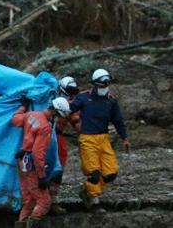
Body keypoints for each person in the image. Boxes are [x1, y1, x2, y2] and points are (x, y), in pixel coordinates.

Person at [69, 68, 130, 210]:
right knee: (94, 172)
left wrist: (124, 137)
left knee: (110, 173)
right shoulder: (84, 98)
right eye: (102, 85)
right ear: (95, 84)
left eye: (107, 85)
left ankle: (87, 191)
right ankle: (94, 200)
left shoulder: (111, 101)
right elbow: (68, 109)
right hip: (87, 138)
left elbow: (118, 120)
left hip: (104, 139)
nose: (105, 88)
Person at [10, 96, 71, 227]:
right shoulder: (45, 127)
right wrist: (42, 177)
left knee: (30, 201)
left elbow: (14, 120)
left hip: (21, 162)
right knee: (44, 202)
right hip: (31, 165)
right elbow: (38, 155)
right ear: (55, 112)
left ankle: (21, 224)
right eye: (59, 116)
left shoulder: (31, 114)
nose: (59, 119)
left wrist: (22, 107)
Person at [48, 76, 81, 214]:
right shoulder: (46, 96)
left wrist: (87, 132)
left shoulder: (69, 105)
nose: (71, 96)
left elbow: (76, 120)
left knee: (58, 169)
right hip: (43, 134)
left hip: (58, 136)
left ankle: (52, 200)